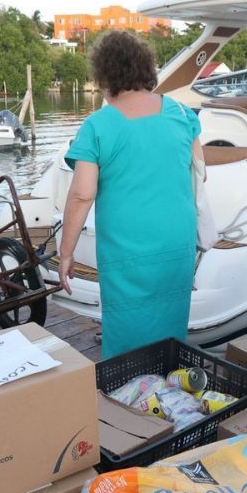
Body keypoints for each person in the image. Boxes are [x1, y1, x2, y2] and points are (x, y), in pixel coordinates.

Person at [58, 31, 202, 359]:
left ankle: (127, 400)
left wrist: (66, 252)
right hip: (176, 241)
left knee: (127, 332)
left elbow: (82, 194)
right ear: (146, 70)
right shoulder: (183, 115)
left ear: (104, 75)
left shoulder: (98, 125)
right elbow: (198, 176)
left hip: (128, 247)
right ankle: (169, 389)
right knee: (170, 327)